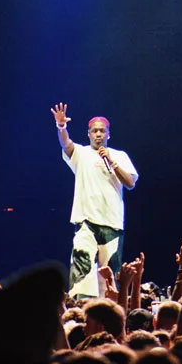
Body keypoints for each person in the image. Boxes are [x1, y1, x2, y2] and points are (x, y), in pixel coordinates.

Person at [53, 103, 138, 298]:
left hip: (112, 222)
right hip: (86, 221)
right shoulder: (81, 154)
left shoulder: (119, 156)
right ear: (88, 134)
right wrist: (61, 127)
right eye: (94, 131)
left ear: (109, 134)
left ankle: (107, 315)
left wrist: (112, 162)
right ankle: (80, 312)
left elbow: (130, 182)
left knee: (109, 276)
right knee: (82, 269)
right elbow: (66, 143)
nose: (98, 134)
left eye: (102, 131)